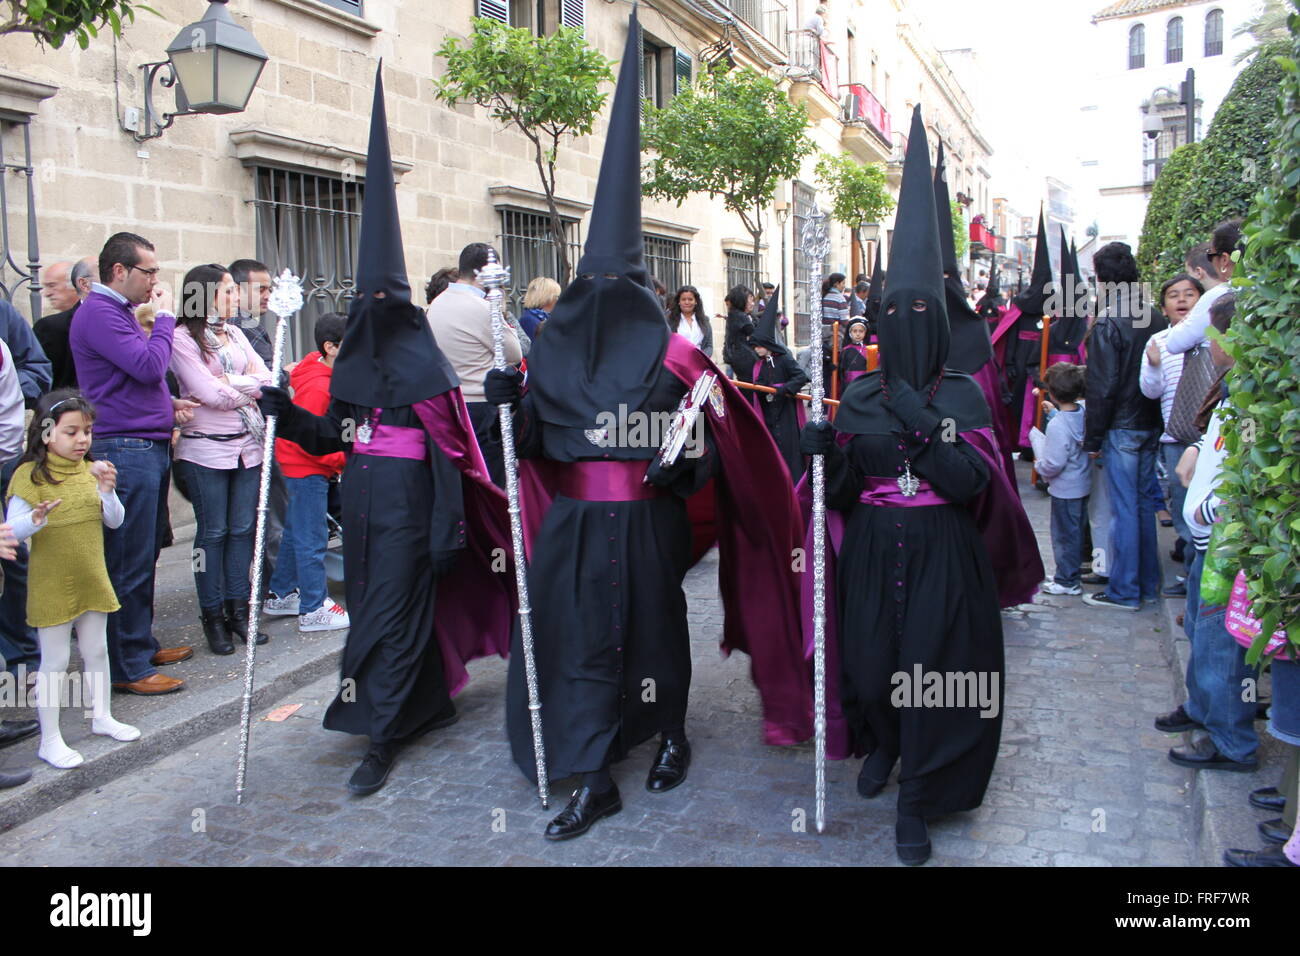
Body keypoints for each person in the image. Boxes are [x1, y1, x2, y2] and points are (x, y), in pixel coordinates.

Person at [488, 10, 811, 841]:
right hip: (573, 526)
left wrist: (679, 466)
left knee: (657, 632)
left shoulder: (675, 357)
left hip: (648, 523)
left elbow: (711, 451)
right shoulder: (548, 354)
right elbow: (533, 446)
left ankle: (670, 731)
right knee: (579, 641)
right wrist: (505, 403)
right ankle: (593, 774)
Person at [257, 66, 515, 796]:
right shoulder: (351, 375)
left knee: (387, 625)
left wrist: (446, 534)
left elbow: (450, 457)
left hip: (411, 519)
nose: (371, 312)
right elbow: (331, 437)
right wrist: (285, 414)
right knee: (380, 614)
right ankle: (426, 705)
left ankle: (382, 733)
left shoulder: (428, 372)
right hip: (363, 514)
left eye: (382, 301)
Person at [797, 106, 1033, 865]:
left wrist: (915, 412)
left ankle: (920, 798)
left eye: (919, 310)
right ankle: (884, 744)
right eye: (891, 310)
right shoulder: (856, 394)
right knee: (871, 662)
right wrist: (821, 456)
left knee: (932, 673)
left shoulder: (963, 390)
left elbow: (969, 482)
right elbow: (833, 498)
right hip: (869, 545)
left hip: (941, 550)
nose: (904, 321)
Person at [70, 232, 197, 695]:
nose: (155, 282)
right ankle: (127, 665)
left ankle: (138, 643)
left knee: (144, 553)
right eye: (149, 272)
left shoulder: (116, 312)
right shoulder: (101, 313)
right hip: (125, 449)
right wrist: (165, 318)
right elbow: (146, 366)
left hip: (143, 444)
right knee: (128, 558)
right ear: (119, 271)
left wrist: (169, 404)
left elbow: (135, 379)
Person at [5, 391, 138, 769]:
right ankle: (49, 738)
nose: (82, 440)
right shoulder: (29, 477)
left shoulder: (90, 470)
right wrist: (34, 520)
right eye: (72, 432)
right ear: (47, 434)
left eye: (88, 432)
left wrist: (108, 493)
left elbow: (115, 520)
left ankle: (102, 716)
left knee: (96, 650)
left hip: (91, 575)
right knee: (56, 661)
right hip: (52, 582)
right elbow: (11, 530)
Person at [1163, 294, 1261, 774]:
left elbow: (1252, 469)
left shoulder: (1254, 393)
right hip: (1209, 539)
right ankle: (1202, 710)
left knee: (1222, 646)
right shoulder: (1233, 386)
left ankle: (1231, 740)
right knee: (1204, 633)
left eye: (1213, 335)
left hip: (1226, 541)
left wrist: (1213, 507)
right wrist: (1198, 447)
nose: (1209, 344)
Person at [169, 263, 273, 655]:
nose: (235, 298)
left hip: (248, 444)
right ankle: (212, 616)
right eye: (227, 292)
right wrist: (243, 388)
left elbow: (269, 379)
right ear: (205, 294)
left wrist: (233, 384)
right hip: (204, 450)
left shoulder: (235, 334)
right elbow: (208, 395)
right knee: (213, 534)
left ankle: (239, 612)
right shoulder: (182, 338)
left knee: (243, 530)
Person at [1081, 241, 1166, 611]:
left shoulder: (1110, 321)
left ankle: (1125, 590)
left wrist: (1093, 438)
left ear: (1101, 279)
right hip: (1149, 421)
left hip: (1122, 425)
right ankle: (1145, 585)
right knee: (1143, 505)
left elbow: (1102, 386)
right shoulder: (1154, 316)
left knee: (1125, 508)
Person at [264, 313, 350, 632]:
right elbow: (314, 438)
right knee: (311, 536)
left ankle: (283, 592)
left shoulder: (320, 368)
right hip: (307, 467)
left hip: (308, 466)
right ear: (330, 348)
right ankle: (314, 607)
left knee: (297, 530)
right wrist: (344, 459)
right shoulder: (319, 386)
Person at [426, 242, 522, 488]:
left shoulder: (437, 304)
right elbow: (515, 351)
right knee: (492, 484)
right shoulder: (481, 307)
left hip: (447, 406)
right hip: (481, 407)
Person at [1140, 272, 1204, 578]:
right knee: (1182, 509)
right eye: (1173, 295)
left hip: (1209, 436)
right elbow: (1150, 391)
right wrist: (1153, 366)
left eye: (1189, 294)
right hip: (1175, 437)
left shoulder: (1211, 337)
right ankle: (1190, 579)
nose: (1181, 299)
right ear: (1163, 307)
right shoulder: (1159, 342)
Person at [1029, 363, 1091, 596]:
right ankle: (1069, 574)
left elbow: (1054, 462)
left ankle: (1067, 580)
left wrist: (1039, 465)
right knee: (1074, 532)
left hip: (1064, 488)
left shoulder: (1057, 425)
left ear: (1053, 393)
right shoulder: (1082, 413)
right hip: (1081, 483)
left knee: (1064, 536)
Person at [748, 289, 808, 481]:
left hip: (786, 412)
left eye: (759, 345)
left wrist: (783, 389)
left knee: (789, 450)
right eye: (754, 346)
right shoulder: (759, 365)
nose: (756, 349)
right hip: (768, 413)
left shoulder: (784, 359)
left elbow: (801, 377)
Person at [1165, 220, 1240, 356]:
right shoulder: (1262, 289)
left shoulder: (1218, 295)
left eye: (1211, 256)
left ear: (1224, 259)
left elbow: (1174, 343)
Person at [35, 257, 95, 391]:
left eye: (52, 285)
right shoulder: (49, 326)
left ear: (76, 285)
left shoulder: (49, 327)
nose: (47, 293)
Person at [228, 259, 275, 366]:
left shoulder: (224, 320)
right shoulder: (246, 324)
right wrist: (287, 373)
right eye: (261, 290)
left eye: (270, 290)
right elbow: (270, 375)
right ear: (238, 291)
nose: (268, 296)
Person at [722, 284, 757, 383]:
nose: (753, 304)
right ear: (742, 300)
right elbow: (753, 333)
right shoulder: (739, 316)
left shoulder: (740, 315)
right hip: (744, 359)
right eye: (750, 300)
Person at [667, 284, 713, 358]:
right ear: (679, 302)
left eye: (690, 299)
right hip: (677, 364)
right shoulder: (669, 321)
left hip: (699, 364)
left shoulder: (704, 320)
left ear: (696, 301)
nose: (687, 302)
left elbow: (709, 346)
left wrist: (703, 358)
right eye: (683, 299)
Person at [839, 317, 871, 385]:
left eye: (861, 331)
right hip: (849, 384)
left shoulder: (869, 350)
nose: (858, 334)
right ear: (850, 333)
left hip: (864, 382)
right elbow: (841, 371)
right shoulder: (845, 350)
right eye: (855, 331)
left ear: (865, 333)